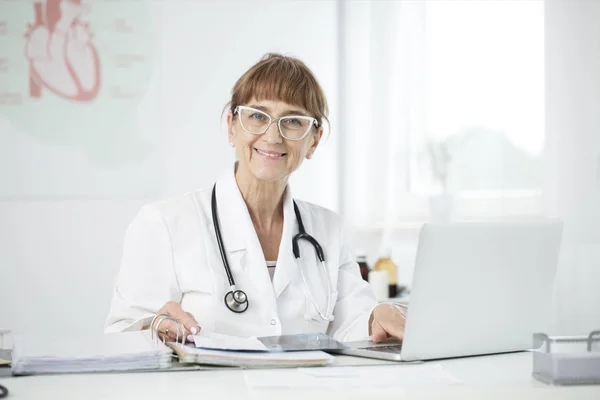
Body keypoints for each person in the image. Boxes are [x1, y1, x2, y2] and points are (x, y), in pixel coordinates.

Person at [105, 53, 406, 344]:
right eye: (258, 116)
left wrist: (376, 317)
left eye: (292, 121)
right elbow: (121, 337)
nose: (273, 136)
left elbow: (352, 324)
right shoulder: (164, 223)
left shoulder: (328, 229)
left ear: (314, 140)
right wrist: (154, 328)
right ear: (232, 127)